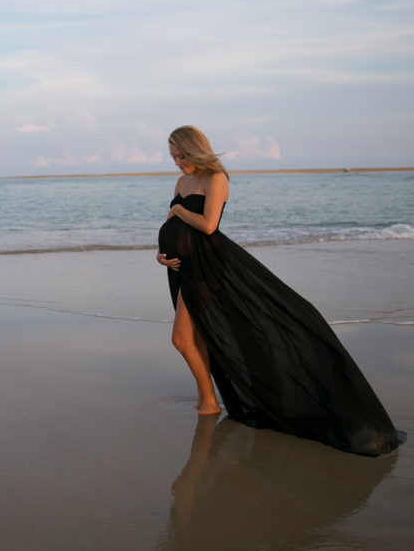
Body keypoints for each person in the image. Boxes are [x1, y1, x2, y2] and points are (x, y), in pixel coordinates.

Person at [156, 125, 400, 456]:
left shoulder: (216, 178)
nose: (177, 162)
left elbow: (209, 225)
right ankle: (205, 397)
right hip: (181, 267)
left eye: (181, 156)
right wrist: (161, 253)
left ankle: (211, 401)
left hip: (208, 267)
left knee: (182, 338)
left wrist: (178, 210)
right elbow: (173, 226)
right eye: (173, 157)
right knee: (197, 337)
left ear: (195, 150)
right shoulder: (182, 182)